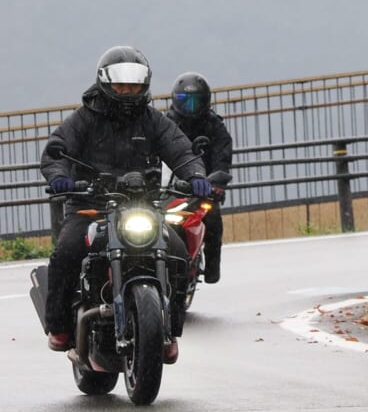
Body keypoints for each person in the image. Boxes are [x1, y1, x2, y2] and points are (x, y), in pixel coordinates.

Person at [39, 46, 211, 360]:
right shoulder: (85, 118)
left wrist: (197, 173)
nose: (128, 91)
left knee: (176, 253)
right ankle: (60, 326)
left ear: (144, 85)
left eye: (134, 84)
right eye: (121, 84)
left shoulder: (152, 120)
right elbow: (57, 148)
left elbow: (181, 150)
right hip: (92, 205)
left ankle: (169, 330)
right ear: (106, 83)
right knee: (67, 251)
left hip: (142, 206)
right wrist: (59, 177)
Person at [166, 71, 233, 283]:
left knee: (213, 221)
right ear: (176, 100)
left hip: (204, 187)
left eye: (196, 101)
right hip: (170, 186)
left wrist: (217, 183)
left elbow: (223, 157)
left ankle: (213, 268)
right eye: (185, 101)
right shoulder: (165, 125)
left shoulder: (215, 126)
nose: (191, 107)